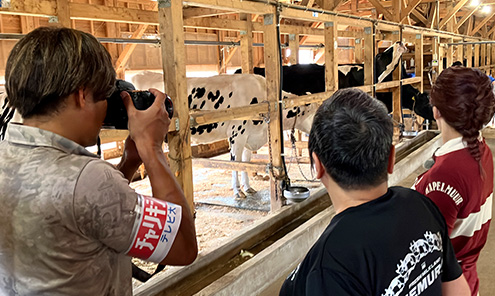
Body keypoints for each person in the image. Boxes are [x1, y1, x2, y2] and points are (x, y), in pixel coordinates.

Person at [0, 27, 197, 295]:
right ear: (82, 95)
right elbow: (183, 246)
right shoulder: (88, 180)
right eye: (105, 95)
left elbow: (84, 217)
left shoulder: (6, 155)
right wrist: (152, 149)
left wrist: (128, 163)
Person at [280, 88, 470, 296]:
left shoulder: (330, 265)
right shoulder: (422, 205)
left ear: (317, 165)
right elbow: (458, 290)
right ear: (391, 158)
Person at [413, 66, 495, 295]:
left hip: (445, 286)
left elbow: (426, 254)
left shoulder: (444, 177)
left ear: (436, 111)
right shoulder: (481, 150)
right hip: (467, 279)